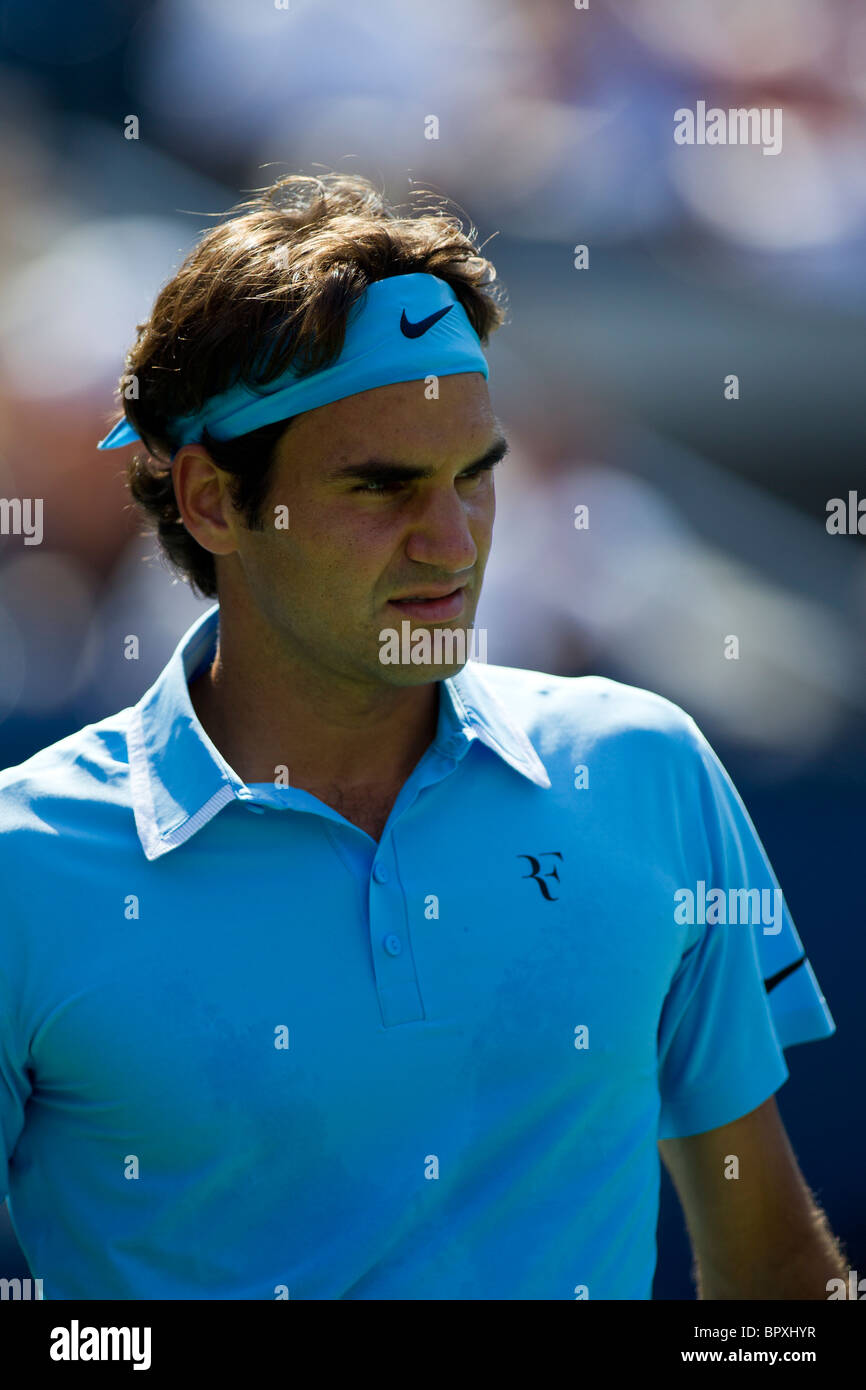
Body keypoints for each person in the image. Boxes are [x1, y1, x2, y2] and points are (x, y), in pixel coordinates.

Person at [0, 172, 846, 1300]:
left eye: (473, 478)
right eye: (381, 486)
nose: (450, 544)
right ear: (210, 501)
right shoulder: (23, 864)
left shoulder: (648, 769)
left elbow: (772, 1276)